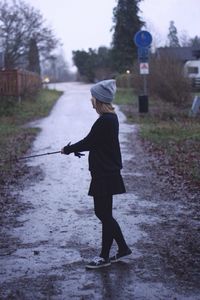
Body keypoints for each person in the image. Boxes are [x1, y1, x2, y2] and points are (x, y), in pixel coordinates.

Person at [61, 79, 131, 269]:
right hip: (106, 171)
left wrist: (68, 149)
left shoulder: (105, 121)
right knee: (105, 213)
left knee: (103, 214)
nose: (91, 101)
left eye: (93, 97)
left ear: (99, 100)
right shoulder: (111, 118)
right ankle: (121, 249)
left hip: (104, 172)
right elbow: (95, 142)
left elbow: (89, 141)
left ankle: (104, 256)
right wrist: (75, 149)